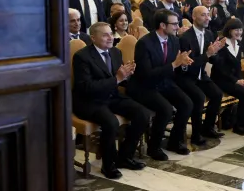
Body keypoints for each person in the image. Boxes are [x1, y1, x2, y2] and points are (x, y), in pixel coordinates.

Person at [72, 22, 149, 179]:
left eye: (110, 33)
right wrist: (117, 78)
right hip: (90, 101)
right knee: (111, 122)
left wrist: (129, 76)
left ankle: (125, 156)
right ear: (93, 37)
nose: (110, 38)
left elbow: (120, 79)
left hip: (112, 96)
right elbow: (87, 87)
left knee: (142, 113)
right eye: (105, 35)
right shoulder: (82, 57)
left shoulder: (115, 52)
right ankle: (108, 165)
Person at [127, 9, 194, 160]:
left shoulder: (174, 41)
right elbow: (146, 75)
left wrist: (183, 64)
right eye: (175, 24)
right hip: (144, 86)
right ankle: (154, 147)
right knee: (165, 109)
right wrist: (174, 64)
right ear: (163, 25)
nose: (178, 27)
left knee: (187, 103)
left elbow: (174, 67)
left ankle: (174, 142)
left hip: (164, 82)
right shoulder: (144, 44)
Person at [177, 6, 226, 145]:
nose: (207, 18)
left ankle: (208, 128)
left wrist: (217, 52)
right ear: (194, 17)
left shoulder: (210, 34)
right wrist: (208, 54)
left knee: (217, 94)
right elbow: (189, 64)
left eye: (208, 15)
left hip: (201, 75)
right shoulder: (185, 37)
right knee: (199, 97)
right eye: (203, 15)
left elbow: (211, 59)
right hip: (186, 77)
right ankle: (196, 135)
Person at [212, 18, 244, 135]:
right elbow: (221, 69)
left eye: (240, 30)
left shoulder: (238, 43)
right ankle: (239, 126)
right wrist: (236, 81)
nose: (238, 32)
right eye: (236, 30)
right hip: (221, 79)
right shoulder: (222, 44)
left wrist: (241, 79)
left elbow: (237, 66)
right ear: (229, 30)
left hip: (234, 78)